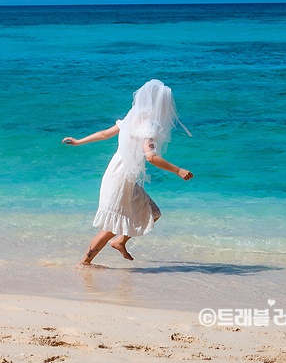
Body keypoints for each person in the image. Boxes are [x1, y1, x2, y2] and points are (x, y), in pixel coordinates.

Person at [62, 79, 193, 266]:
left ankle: (120, 242)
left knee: (153, 212)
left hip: (120, 175)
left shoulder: (131, 119)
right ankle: (83, 264)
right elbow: (151, 157)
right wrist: (178, 170)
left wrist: (78, 141)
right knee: (110, 227)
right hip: (121, 179)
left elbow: (105, 134)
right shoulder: (147, 127)